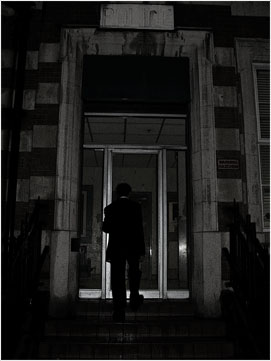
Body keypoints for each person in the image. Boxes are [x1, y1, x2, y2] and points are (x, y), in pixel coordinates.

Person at [102, 183, 145, 322]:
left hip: (117, 247)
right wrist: (141, 250)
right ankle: (134, 299)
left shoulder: (110, 208)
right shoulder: (136, 207)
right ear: (129, 193)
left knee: (117, 277)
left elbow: (106, 228)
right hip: (133, 246)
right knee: (133, 272)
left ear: (117, 193)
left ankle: (119, 310)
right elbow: (140, 230)